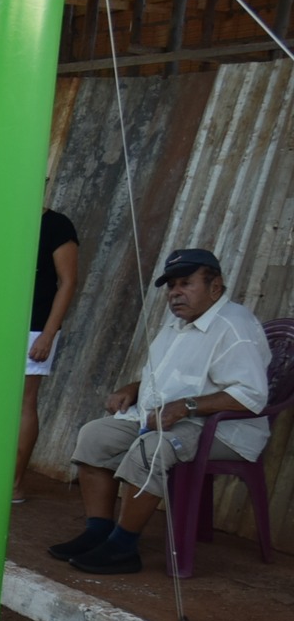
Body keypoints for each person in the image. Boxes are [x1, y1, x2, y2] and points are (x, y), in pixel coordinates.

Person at [47, 248, 272, 575]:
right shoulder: (177, 322)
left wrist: (186, 407)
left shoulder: (234, 327)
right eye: (171, 286)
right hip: (162, 416)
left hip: (221, 429)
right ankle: (99, 531)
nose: (176, 293)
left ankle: (123, 546)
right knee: (95, 437)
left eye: (186, 283)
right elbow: (168, 374)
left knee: (149, 450)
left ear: (215, 286)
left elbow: (252, 394)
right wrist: (133, 388)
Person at [14, 206, 79, 503]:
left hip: (35, 326)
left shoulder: (56, 225)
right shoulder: (2, 218)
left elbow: (67, 282)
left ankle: (14, 483)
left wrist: (49, 334)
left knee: (24, 401)